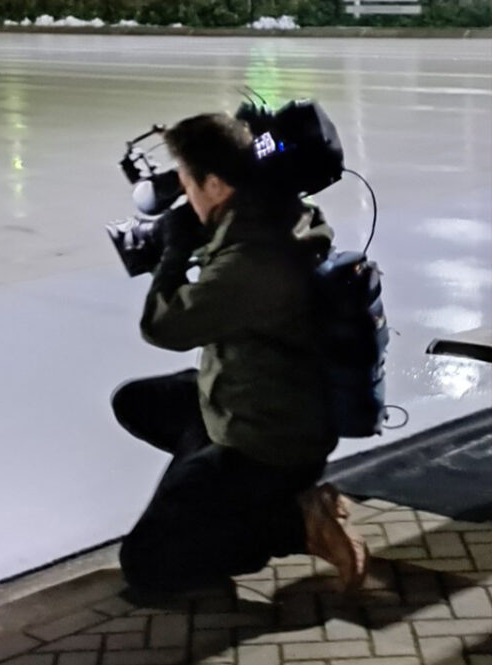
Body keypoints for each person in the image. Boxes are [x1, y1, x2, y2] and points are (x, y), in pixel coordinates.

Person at [112, 113, 369, 593]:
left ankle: (297, 523)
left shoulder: (253, 259)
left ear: (214, 183)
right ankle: (216, 490)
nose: (183, 192)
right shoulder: (280, 212)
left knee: (147, 565)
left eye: (187, 182)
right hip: (277, 402)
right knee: (137, 402)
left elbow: (163, 327)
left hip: (268, 443)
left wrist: (172, 255)